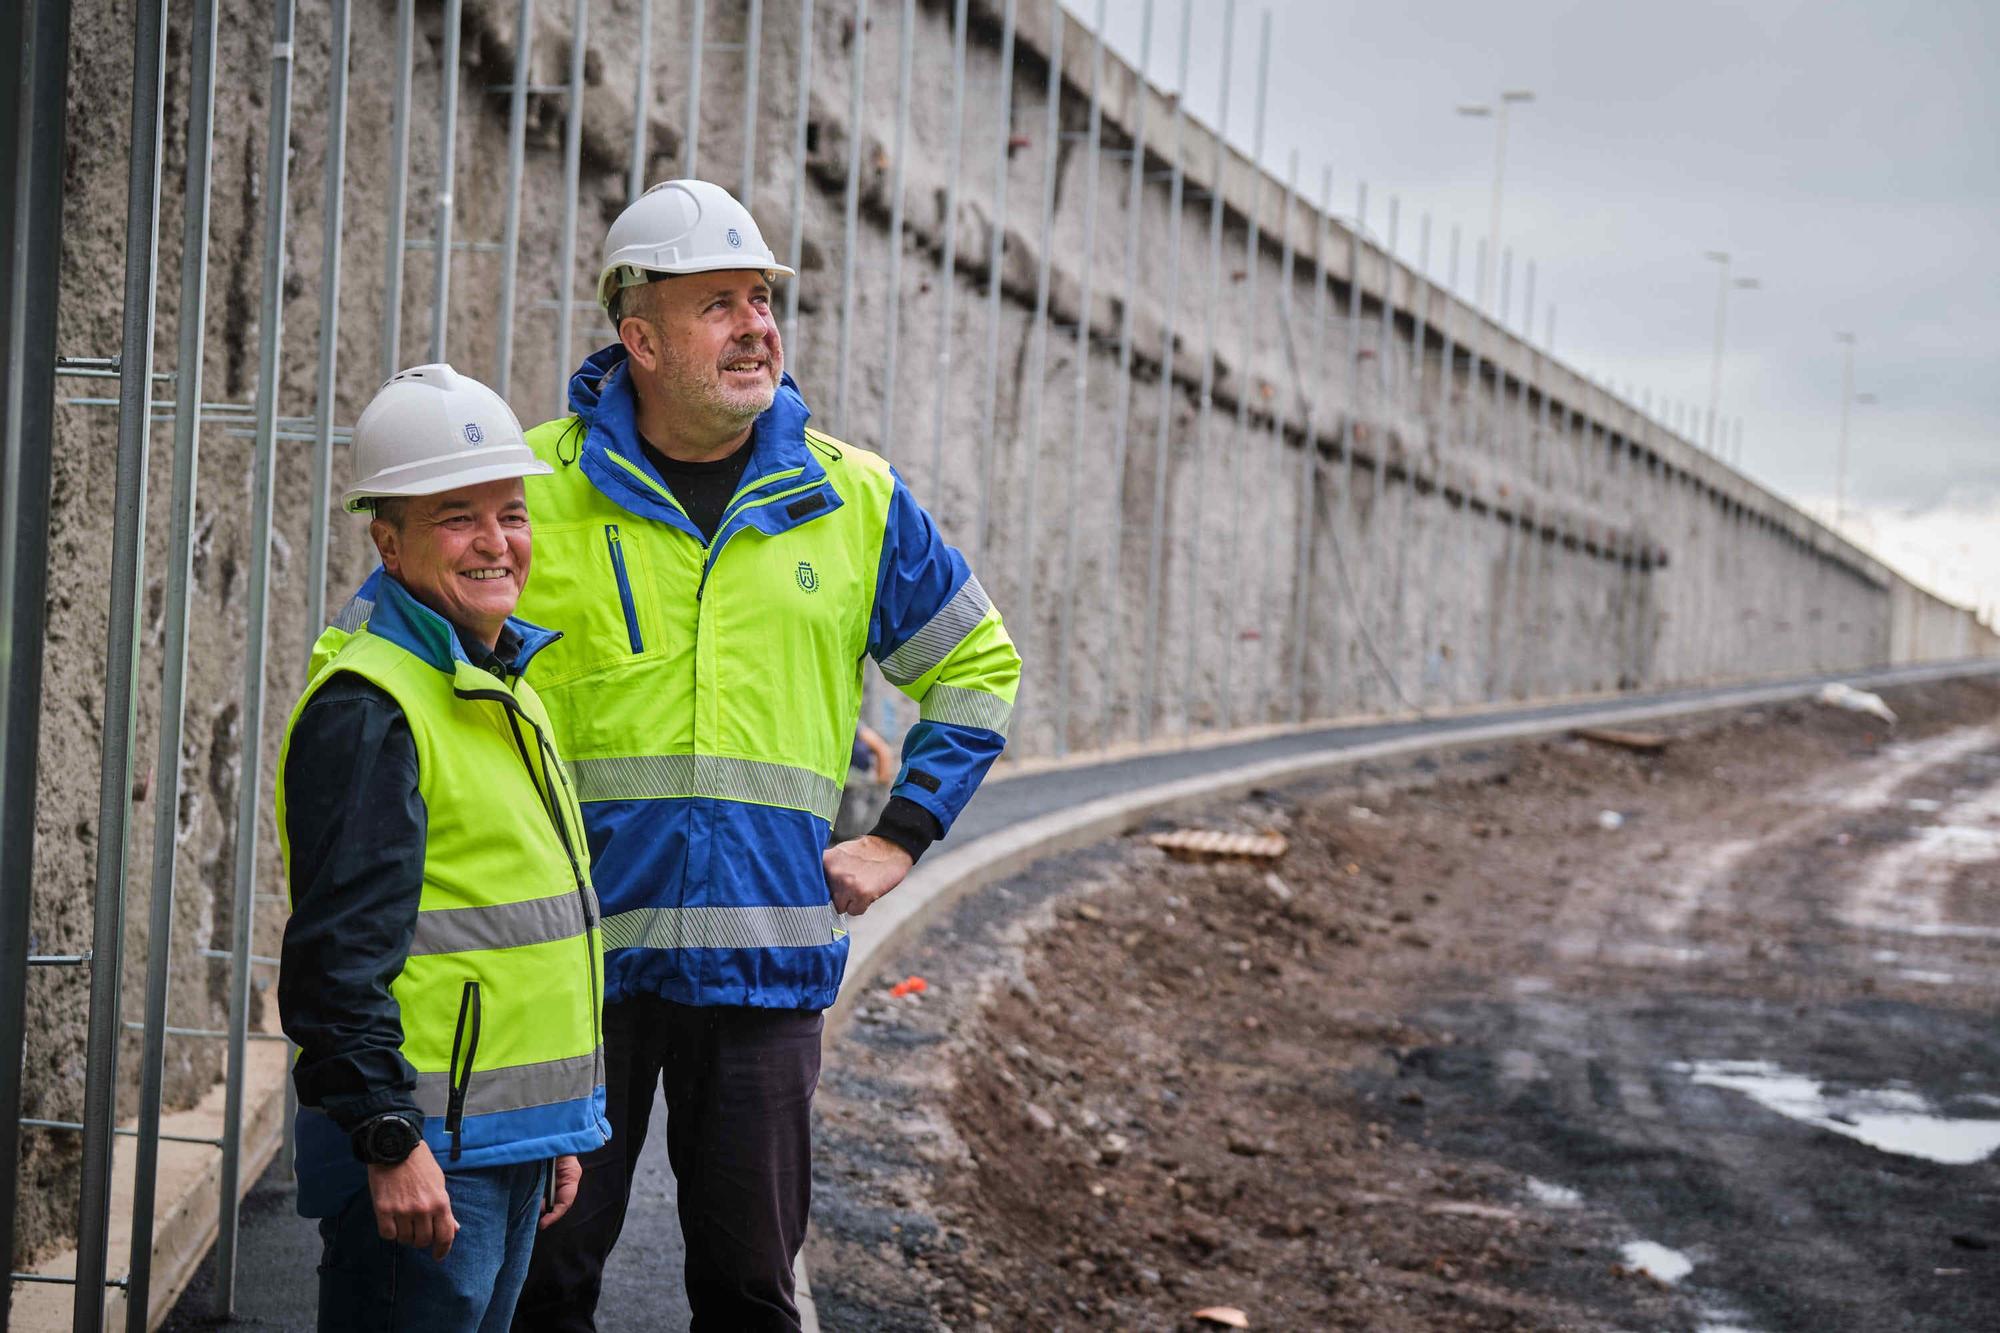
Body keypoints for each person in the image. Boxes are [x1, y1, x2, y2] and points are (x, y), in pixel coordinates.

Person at [510, 180, 1020, 1331]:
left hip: (763, 967)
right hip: (573, 970)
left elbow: (977, 666)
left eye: (761, 299)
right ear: (637, 337)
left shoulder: (850, 497)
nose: (756, 326)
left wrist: (901, 836)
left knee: (748, 1292)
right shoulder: (529, 492)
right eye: (717, 305)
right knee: (541, 1287)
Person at [279, 364, 611, 1332]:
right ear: (388, 540)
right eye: (456, 516)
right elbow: (336, 963)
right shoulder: (373, 706)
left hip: (497, 1143)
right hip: (424, 1153)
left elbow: (519, 926)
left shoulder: (499, 679)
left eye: (510, 513)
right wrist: (387, 1138)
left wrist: (553, 1127)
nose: (496, 541)